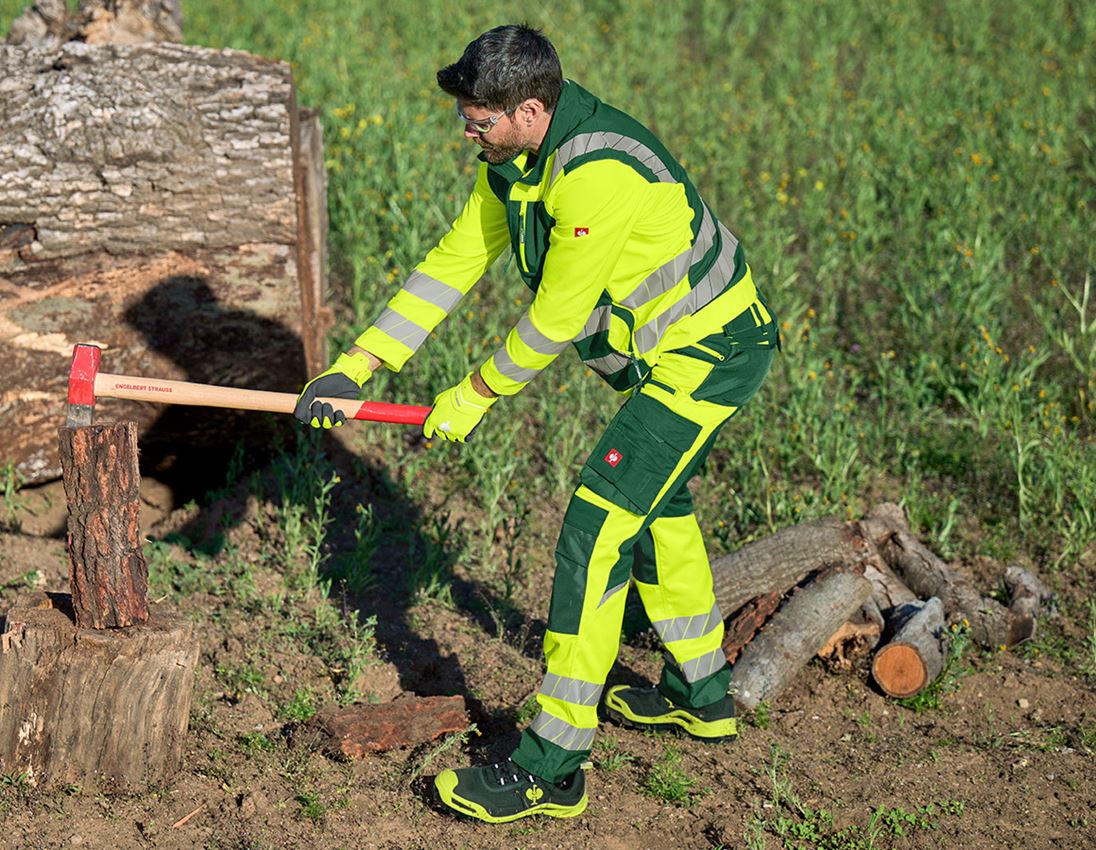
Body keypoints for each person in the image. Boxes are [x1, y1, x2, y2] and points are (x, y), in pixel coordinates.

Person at [295, 23, 780, 824]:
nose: (466, 127)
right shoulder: (512, 164)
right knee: (659, 510)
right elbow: (452, 264)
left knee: (596, 529)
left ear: (529, 107)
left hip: (711, 354)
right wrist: (360, 363)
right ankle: (702, 693)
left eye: (478, 117)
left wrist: (474, 394)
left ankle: (553, 767)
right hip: (662, 361)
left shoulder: (600, 174)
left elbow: (556, 317)